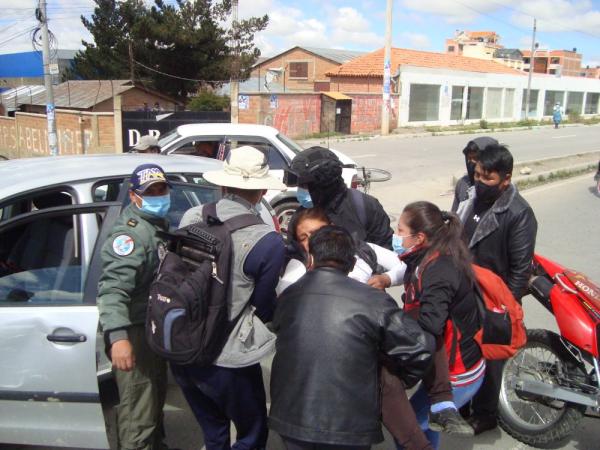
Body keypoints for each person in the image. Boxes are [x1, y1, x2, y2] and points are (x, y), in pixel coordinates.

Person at [269, 225, 435, 450]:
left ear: (312, 257)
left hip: (291, 419)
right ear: (352, 262)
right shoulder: (373, 300)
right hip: (349, 426)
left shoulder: (289, 296)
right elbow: (420, 348)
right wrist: (398, 379)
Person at [170, 146, 287, 450]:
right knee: (252, 432)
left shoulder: (191, 216)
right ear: (261, 191)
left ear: (222, 185)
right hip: (229, 358)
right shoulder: (267, 240)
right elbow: (263, 307)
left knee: (213, 430)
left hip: (184, 347)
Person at [456, 143, 538, 434]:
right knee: (463, 352)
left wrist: (503, 310)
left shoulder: (519, 214)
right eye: (477, 175)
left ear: (506, 179)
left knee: (490, 359)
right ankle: (461, 404)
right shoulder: (470, 197)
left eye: (487, 178)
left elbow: (520, 270)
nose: (480, 182)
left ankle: (485, 414)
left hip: (494, 299)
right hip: (465, 290)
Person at [393, 202, 485, 449]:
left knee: (407, 430)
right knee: (423, 423)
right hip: (448, 366)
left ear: (419, 237)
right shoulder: (430, 256)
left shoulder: (439, 269)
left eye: (400, 230)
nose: (396, 234)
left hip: (457, 373)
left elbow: (430, 326)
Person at [97, 164, 173, 450]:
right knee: (138, 410)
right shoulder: (129, 237)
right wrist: (118, 338)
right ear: (134, 196)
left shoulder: (154, 226)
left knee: (153, 400)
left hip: (150, 326)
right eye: (149, 192)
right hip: (134, 331)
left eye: (161, 189)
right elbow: (113, 290)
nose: (157, 196)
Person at [276, 207, 405, 294]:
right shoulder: (296, 267)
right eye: (303, 238)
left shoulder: (362, 250)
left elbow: (407, 266)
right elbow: (284, 295)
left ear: (332, 227)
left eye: (316, 232)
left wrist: (387, 279)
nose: (312, 240)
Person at [288, 146, 393, 249]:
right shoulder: (301, 216)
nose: (300, 190)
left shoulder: (365, 207)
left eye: (305, 186)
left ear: (323, 183)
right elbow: (294, 254)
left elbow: (385, 251)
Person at [451, 137, 498, 213]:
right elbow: (454, 215)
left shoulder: (499, 187)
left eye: (476, 158)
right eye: (469, 158)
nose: (471, 162)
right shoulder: (463, 184)